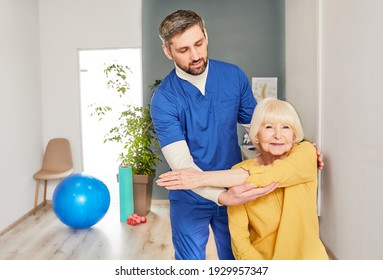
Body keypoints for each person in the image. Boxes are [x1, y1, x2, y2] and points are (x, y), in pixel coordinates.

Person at [151, 10, 323, 260]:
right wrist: (221, 196)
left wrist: (299, 150)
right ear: (168, 51)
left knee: (237, 261)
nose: (196, 55)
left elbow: (261, 131)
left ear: (206, 35)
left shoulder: (233, 76)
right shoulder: (164, 99)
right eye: (184, 50)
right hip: (190, 198)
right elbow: (183, 167)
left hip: (237, 186)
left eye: (199, 43)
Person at [157, 97, 329, 260]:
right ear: (256, 134)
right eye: (269, 127)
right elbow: (239, 238)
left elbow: (273, 174)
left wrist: (200, 178)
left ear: (294, 134)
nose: (278, 135)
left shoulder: (306, 153)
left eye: (286, 127)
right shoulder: (238, 171)